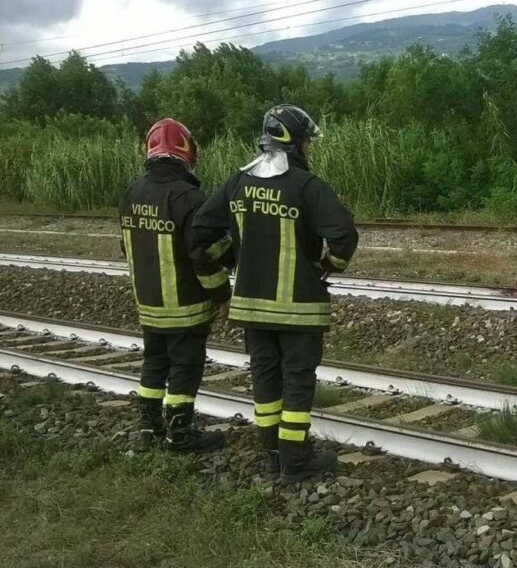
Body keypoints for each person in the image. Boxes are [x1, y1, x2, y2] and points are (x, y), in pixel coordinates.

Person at [193, 105, 358, 483]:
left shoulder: (237, 182)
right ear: (295, 143)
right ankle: (295, 461)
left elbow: (201, 233)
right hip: (299, 310)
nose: (308, 150)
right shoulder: (305, 186)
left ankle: (271, 454)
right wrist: (326, 266)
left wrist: (234, 258)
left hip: (251, 308)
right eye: (306, 143)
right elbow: (343, 236)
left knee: (265, 381)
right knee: (297, 382)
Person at [119, 118, 232, 453]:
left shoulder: (131, 193)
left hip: (149, 304)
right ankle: (180, 435)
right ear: (187, 152)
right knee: (185, 366)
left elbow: (128, 248)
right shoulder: (189, 197)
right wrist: (222, 294)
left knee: (154, 362)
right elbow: (203, 258)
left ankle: (148, 429)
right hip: (185, 306)